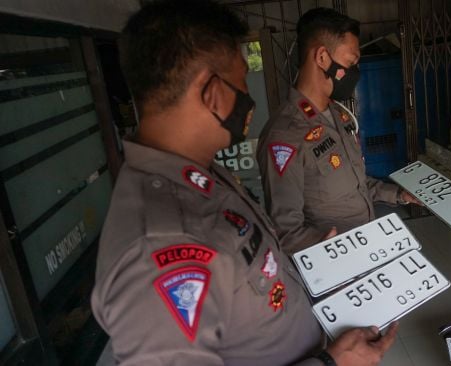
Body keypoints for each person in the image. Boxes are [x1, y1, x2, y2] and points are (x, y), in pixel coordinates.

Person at [91, 1, 398, 365]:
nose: (249, 99)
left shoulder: (202, 178)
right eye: (241, 80)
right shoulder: (160, 250)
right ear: (213, 92)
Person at [257, 8, 419, 254]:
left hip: (367, 250)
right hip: (333, 267)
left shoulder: (339, 116)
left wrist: (399, 194)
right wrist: (330, 246)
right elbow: (285, 230)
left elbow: (357, 184)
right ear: (322, 58)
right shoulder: (285, 136)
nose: (355, 72)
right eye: (350, 63)